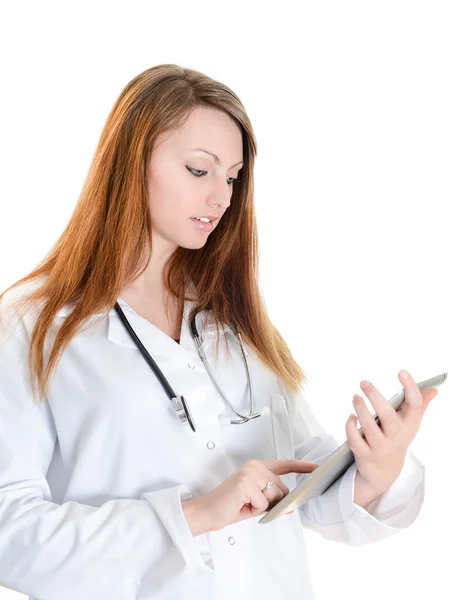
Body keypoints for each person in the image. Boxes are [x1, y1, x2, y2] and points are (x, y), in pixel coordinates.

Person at [0, 64, 437, 600]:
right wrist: (191, 515)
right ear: (131, 162)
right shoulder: (31, 326)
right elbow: (10, 533)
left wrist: (375, 468)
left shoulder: (233, 320)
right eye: (198, 170)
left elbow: (298, 478)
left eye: (232, 177)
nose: (222, 199)